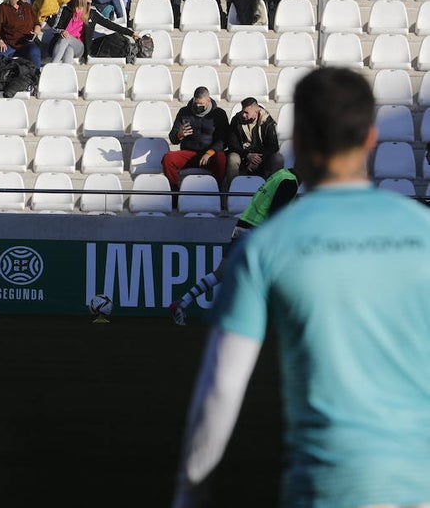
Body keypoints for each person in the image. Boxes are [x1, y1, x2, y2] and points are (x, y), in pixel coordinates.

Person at [173, 67, 430, 508]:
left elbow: (222, 388)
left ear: (303, 142)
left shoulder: (268, 246)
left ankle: (182, 302)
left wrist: (190, 491)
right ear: (371, 138)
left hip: (324, 490)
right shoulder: (422, 230)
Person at [168, 167, 298, 326]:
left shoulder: (281, 173)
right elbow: (275, 215)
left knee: (221, 273)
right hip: (255, 230)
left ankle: (182, 302)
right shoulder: (290, 182)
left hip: (243, 226)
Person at [162, 86, 229, 200]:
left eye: (201, 105)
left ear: (208, 100)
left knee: (221, 158)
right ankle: (175, 195)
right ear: (193, 100)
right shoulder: (184, 112)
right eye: (196, 103)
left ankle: (216, 194)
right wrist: (179, 134)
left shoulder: (219, 114)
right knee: (168, 158)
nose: (198, 107)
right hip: (188, 153)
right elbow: (173, 138)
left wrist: (210, 152)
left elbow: (224, 140)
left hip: (209, 154)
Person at [45, 0, 137, 63]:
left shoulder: (92, 12)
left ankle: (52, 67)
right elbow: (55, 27)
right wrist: (61, 31)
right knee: (69, 50)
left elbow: (110, 24)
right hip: (61, 43)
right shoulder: (66, 9)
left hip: (79, 46)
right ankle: (64, 75)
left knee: (66, 38)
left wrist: (131, 33)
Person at [225, 97, 283, 186]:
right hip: (243, 155)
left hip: (262, 157)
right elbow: (232, 144)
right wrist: (247, 155)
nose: (243, 115)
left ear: (256, 112)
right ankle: (232, 189)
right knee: (233, 158)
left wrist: (258, 160)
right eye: (243, 111)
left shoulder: (267, 122)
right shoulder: (236, 120)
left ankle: (273, 190)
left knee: (278, 159)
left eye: (246, 113)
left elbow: (273, 146)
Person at [0, 0, 42, 68]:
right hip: (8, 43)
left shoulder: (27, 7)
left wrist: (35, 33)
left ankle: (36, 77)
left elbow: (37, 24)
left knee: (34, 51)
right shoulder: (2, 8)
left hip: (26, 42)